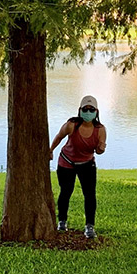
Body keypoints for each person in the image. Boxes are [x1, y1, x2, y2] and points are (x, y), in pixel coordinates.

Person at [49, 95, 107, 239]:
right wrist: (50, 150)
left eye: (91, 109)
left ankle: (89, 226)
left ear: (96, 111)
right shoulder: (71, 125)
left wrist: (101, 148)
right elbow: (59, 137)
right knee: (66, 191)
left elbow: (99, 151)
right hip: (66, 162)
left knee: (89, 195)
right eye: (85, 109)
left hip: (87, 164)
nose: (88, 112)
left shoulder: (100, 129)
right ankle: (62, 221)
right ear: (80, 110)